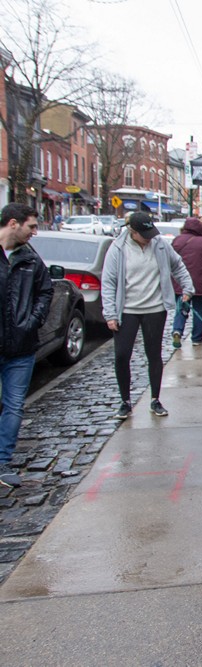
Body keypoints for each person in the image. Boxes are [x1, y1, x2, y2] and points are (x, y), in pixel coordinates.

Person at [102, 211, 194, 421]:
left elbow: (178, 266)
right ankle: (125, 401)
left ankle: (155, 399)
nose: (149, 238)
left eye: (151, 233)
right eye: (144, 235)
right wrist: (110, 314)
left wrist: (187, 288)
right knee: (122, 355)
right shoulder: (118, 249)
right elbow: (108, 282)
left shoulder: (160, 245)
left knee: (154, 354)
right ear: (132, 232)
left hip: (155, 308)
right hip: (127, 310)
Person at [0, 203, 52, 489]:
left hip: (21, 347)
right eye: (31, 226)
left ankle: (2, 461)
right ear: (13, 223)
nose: (35, 232)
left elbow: (45, 291)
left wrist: (33, 320)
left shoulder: (30, 258)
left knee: (14, 405)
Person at [170, 217, 202, 347]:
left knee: (181, 308)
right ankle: (197, 338)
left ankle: (177, 330)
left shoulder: (177, 240)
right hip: (200, 282)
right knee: (199, 310)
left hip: (180, 282)